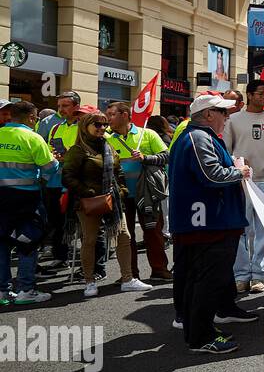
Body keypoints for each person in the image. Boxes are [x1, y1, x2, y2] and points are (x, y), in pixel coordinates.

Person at [168, 94, 255, 353]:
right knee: (206, 281)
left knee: (204, 280)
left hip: (209, 224)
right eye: (223, 113)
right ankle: (201, 337)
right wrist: (239, 172)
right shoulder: (198, 137)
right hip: (207, 225)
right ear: (208, 115)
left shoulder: (201, 137)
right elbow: (211, 175)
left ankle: (201, 330)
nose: (227, 118)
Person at [61, 111, 152, 299]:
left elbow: (118, 173)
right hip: (88, 203)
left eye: (104, 125)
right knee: (90, 241)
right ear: (85, 126)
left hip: (113, 201)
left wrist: (121, 192)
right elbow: (68, 177)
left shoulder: (108, 146)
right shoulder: (78, 150)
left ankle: (128, 279)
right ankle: (89, 281)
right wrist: (90, 193)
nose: (102, 128)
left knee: (124, 236)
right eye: (97, 124)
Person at [225, 79, 264, 290]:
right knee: (240, 228)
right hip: (240, 182)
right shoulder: (233, 119)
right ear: (249, 95)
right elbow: (225, 151)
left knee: (263, 231)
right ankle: (241, 275)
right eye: (260, 93)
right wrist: (237, 166)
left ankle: (258, 275)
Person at [104, 100, 171, 281]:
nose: (107, 118)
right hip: (120, 195)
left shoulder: (147, 134)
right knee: (125, 236)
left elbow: (166, 156)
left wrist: (145, 157)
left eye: (111, 114)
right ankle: (130, 274)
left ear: (124, 115)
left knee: (153, 232)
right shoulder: (106, 138)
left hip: (147, 193)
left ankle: (160, 271)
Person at [0, 101, 59, 305]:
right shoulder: (33, 138)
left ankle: (2, 291)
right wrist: (55, 160)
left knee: (2, 242)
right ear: (32, 118)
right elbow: (50, 167)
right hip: (25, 198)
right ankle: (26, 289)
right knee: (28, 240)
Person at [41, 92, 83, 272]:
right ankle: (60, 256)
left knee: (80, 223)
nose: (61, 109)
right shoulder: (56, 128)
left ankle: (89, 262)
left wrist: (69, 156)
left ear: (76, 107)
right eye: (59, 106)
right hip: (55, 181)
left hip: (76, 182)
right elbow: (50, 150)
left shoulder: (84, 127)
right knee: (57, 222)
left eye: (65, 105)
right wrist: (54, 156)